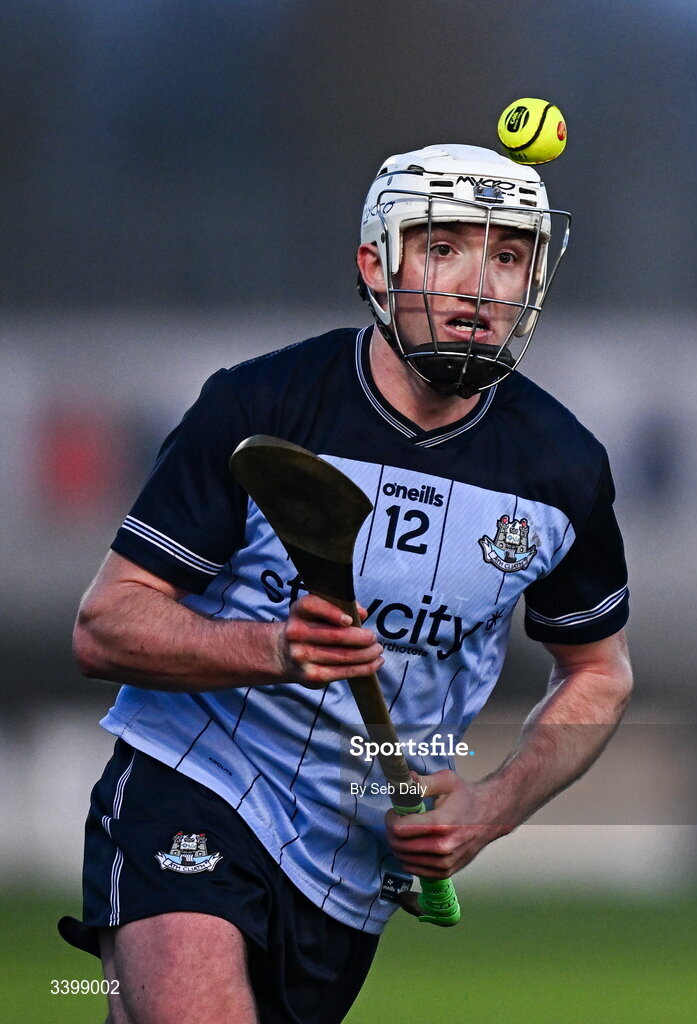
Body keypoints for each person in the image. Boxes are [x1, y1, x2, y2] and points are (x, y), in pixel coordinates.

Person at [59, 143, 633, 1024]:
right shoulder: (262, 404)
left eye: (508, 255)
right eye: (444, 248)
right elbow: (106, 627)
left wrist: (490, 808)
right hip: (201, 779)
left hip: (353, 864)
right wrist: (272, 649)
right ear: (377, 262)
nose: (480, 286)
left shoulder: (563, 468)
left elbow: (598, 671)